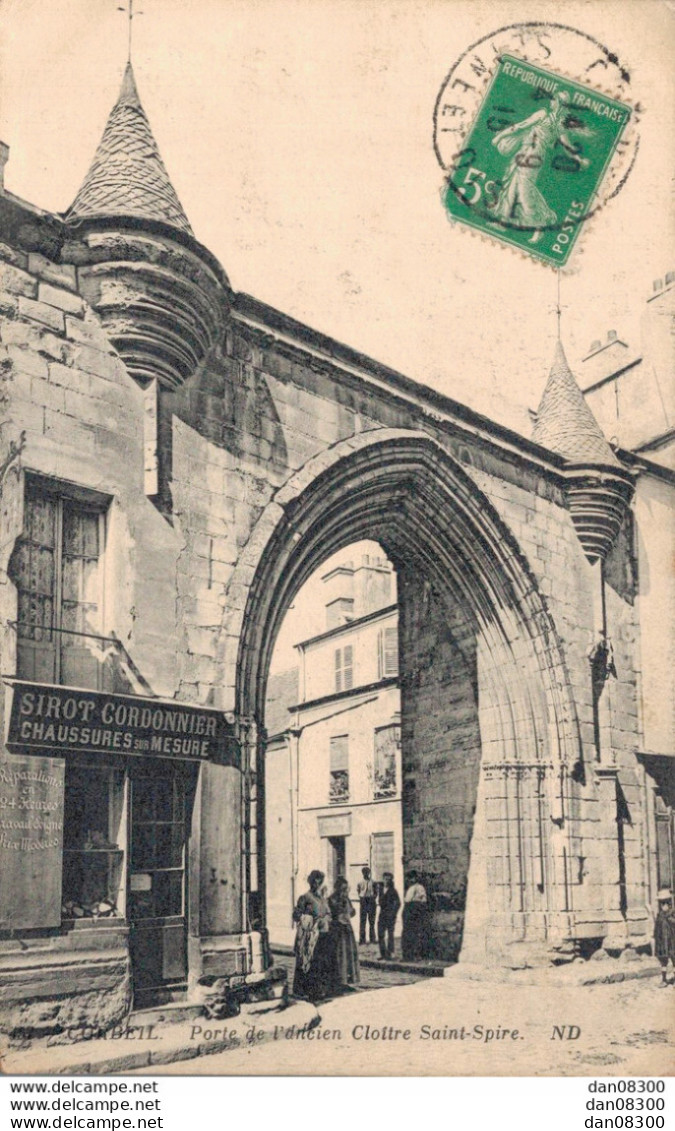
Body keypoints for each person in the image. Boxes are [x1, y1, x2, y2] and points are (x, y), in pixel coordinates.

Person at [489, 90, 590, 243]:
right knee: (512, 186)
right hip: (524, 152)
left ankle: (539, 225)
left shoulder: (559, 124)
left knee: (524, 190)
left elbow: (567, 146)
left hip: (535, 157)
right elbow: (520, 126)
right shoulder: (543, 114)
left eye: (553, 100)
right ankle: (503, 222)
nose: (551, 102)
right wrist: (500, 136)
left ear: (559, 104)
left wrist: (579, 160)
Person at [292, 870, 335, 1001]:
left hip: (323, 935)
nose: (318, 883)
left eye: (320, 881)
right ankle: (307, 991)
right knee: (309, 963)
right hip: (309, 936)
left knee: (321, 964)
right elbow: (296, 915)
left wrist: (327, 919)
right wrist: (309, 919)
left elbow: (329, 914)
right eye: (316, 880)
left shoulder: (322, 899)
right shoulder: (305, 898)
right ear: (311, 882)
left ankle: (320, 990)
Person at [328, 876, 360, 991]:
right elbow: (330, 914)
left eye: (346, 889)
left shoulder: (346, 899)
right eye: (342, 889)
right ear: (337, 889)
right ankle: (337, 982)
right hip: (337, 930)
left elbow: (352, 912)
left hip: (347, 929)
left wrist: (349, 912)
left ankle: (345, 982)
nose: (344, 892)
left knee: (348, 955)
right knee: (339, 955)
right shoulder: (331, 899)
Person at [401, 870, 428, 961]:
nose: (410, 880)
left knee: (414, 934)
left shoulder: (419, 887)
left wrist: (416, 909)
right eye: (409, 878)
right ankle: (407, 955)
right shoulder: (410, 888)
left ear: (415, 878)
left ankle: (414, 955)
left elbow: (423, 900)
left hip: (414, 910)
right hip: (409, 909)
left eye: (411, 878)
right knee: (407, 934)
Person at [377, 872, 401, 960]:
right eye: (385, 879)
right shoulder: (381, 889)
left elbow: (398, 903)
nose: (386, 881)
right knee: (380, 934)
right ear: (383, 879)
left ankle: (390, 953)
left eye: (388, 879)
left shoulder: (393, 891)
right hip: (382, 914)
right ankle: (383, 954)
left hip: (390, 915)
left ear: (391, 880)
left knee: (390, 935)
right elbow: (380, 901)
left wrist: (393, 913)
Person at [654, 889, 675, 987]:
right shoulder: (660, 915)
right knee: (663, 962)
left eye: (665, 903)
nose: (663, 906)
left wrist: (670, 918)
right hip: (662, 942)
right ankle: (664, 980)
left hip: (671, 941)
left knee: (674, 959)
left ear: (669, 903)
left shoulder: (672, 914)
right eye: (661, 904)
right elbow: (657, 928)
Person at [357, 866, 377, 945]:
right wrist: (361, 897)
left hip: (371, 901)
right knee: (363, 921)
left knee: (372, 921)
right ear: (362, 873)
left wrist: (374, 897)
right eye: (364, 873)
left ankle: (372, 939)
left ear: (369, 873)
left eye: (367, 872)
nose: (366, 874)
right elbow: (358, 891)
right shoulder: (360, 882)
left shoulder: (373, 882)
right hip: (363, 901)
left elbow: (376, 891)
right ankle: (362, 940)